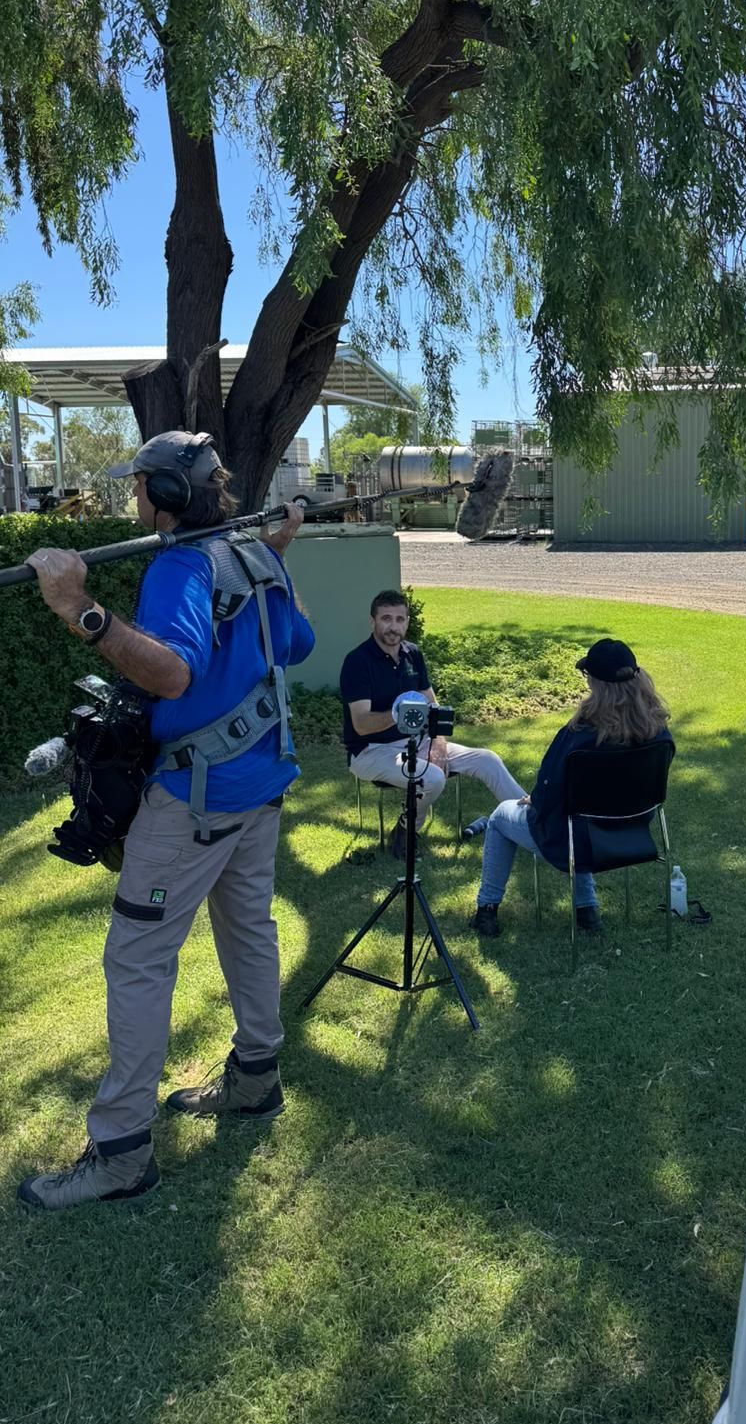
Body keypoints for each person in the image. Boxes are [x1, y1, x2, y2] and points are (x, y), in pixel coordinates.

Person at [18, 432, 314, 1212]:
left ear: (168, 497)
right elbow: (298, 639)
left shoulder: (183, 564)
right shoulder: (254, 556)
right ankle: (257, 1079)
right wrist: (279, 553)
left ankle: (119, 1152)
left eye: (140, 486)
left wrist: (78, 608)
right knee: (249, 928)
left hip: (198, 798)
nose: (133, 499)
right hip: (260, 787)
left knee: (139, 960)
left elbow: (173, 671)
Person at [470, 638, 673, 938]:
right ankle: (586, 909)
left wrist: (533, 800)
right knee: (581, 815)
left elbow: (549, 790)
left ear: (595, 682)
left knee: (501, 817)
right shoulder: (659, 733)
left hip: (572, 842)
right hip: (633, 835)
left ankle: (486, 910)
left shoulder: (579, 735)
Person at [340, 590, 525, 845]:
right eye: (386, 619)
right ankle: (405, 830)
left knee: (487, 760)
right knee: (433, 778)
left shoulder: (412, 653)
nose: (393, 627)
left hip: (417, 743)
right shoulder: (357, 662)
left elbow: (432, 704)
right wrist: (399, 713)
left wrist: (437, 744)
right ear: (372, 621)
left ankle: (532, 821)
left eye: (399, 619)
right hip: (370, 751)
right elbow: (361, 725)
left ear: (407, 621)